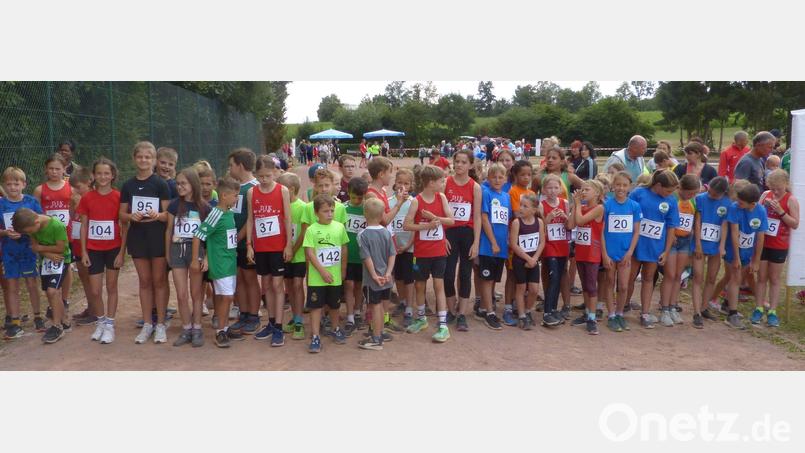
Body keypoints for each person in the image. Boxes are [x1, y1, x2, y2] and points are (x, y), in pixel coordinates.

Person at [120, 141, 171, 344]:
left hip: (157, 237)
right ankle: (148, 323)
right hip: (138, 238)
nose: (143, 160)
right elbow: (121, 214)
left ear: (154, 161)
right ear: (134, 159)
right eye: (140, 156)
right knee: (144, 281)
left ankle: (160, 324)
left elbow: (169, 214)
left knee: (159, 281)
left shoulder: (160, 184)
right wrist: (131, 216)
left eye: (148, 157)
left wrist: (157, 214)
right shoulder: (128, 185)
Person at [402, 165, 455, 342]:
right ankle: (421, 318)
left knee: (438, 285)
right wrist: (425, 226)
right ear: (431, 183)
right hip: (421, 252)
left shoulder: (442, 197)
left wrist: (434, 218)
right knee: (419, 285)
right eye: (441, 181)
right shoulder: (416, 201)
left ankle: (442, 325)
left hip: (439, 252)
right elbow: (406, 225)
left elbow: (452, 220)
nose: (444, 183)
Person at [244, 156, 292, 346]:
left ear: (275, 173)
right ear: (255, 175)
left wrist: (288, 244)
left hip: (278, 246)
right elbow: (250, 219)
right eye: (261, 176)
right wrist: (249, 245)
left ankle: (279, 327)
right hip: (261, 247)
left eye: (268, 176)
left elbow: (287, 219)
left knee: (277, 285)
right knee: (266, 284)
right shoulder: (251, 192)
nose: (264, 179)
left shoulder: (283, 191)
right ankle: (271, 322)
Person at [78, 158, 126, 344]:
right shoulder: (87, 198)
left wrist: (122, 252)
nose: (103, 177)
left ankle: (110, 325)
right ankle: (100, 321)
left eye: (106, 173)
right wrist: (83, 251)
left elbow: (125, 226)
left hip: (113, 248)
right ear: (93, 175)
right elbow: (84, 225)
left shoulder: (118, 197)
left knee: (111, 287)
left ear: (113, 175)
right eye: (99, 173)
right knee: (96, 291)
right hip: (93, 249)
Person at [628, 170, 680, 329]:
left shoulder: (671, 201)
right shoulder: (639, 193)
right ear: (658, 185)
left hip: (655, 246)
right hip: (636, 243)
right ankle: (623, 306)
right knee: (629, 277)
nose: (671, 194)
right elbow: (627, 214)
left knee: (648, 278)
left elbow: (671, 227)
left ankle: (645, 312)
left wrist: (666, 251)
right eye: (668, 190)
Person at [12, 207, 72, 343]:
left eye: (29, 231)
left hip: (62, 260)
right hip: (46, 261)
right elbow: (34, 247)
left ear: (36, 222)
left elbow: (61, 248)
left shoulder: (56, 225)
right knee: (50, 293)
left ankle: (57, 326)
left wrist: (40, 248)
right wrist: (47, 253)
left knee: (53, 291)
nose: (29, 234)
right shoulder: (32, 227)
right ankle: (64, 321)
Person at [166, 168, 210, 347]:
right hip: (177, 251)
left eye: (183, 183)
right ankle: (186, 328)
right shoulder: (174, 205)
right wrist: (168, 253)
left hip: (196, 253)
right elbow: (169, 230)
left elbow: (210, 236)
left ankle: (197, 328)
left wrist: (206, 257)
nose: (179, 187)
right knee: (182, 294)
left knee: (196, 293)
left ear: (193, 184)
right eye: (177, 184)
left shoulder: (205, 207)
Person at [192, 177, 239, 348]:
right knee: (227, 297)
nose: (237, 199)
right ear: (224, 196)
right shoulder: (216, 213)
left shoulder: (229, 213)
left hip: (230, 262)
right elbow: (199, 235)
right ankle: (220, 331)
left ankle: (224, 327)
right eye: (235, 196)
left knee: (224, 297)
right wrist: (197, 259)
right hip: (220, 264)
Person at [0, 166, 44, 339]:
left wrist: (26, 231)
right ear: (4, 185)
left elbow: (40, 222)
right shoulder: (1, 204)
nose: (12, 187)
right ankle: (15, 320)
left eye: (16, 183)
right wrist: (5, 232)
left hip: (28, 249)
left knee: (32, 283)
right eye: (9, 184)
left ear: (23, 184)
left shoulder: (31, 202)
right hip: (9, 252)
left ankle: (37, 315)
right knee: (12, 285)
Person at [303, 194, 349, 353]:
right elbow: (309, 253)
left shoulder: (339, 227)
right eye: (325, 211)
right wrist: (322, 271)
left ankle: (335, 328)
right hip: (317, 278)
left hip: (335, 277)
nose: (329, 214)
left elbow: (344, 248)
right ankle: (315, 335)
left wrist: (343, 269)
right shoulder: (311, 230)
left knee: (335, 305)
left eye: (332, 210)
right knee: (315, 307)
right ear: (316, 213)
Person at [443, 150, 481, 332]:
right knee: (448, 273)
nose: (459, 165)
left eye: (463, 162)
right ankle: (451, 310)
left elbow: (479, 217)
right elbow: (440, 211)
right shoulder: (446, 183)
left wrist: (476, 243)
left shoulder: (475, 187)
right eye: (456, 161)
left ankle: (462, 315)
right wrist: (442, 236)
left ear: (470, 165)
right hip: (449, 233)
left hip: (467, 233)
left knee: (465, 274)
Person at [755, 170, 799, 327]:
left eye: (778, 189)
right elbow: (756, 213)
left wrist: (780, 211)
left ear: (786, 185)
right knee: (761, 277)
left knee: (774, 279)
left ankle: (772, 311)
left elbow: (795, 223)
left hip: (779, 245)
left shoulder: (791, 199)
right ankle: (759, 307)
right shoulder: (765, 194)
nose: (774, 192)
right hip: (763, 242)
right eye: (772, 188)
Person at [33, 154, 74, 322]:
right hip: (47, 236)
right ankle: (53, 299)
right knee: (50, 264)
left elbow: (74, 209)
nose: (54, 172)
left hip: (66, 232)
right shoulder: (40, 190)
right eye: (51, 168)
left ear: (64, 169)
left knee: (66, 265)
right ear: (46, 170)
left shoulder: (70, 188)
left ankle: (64, 299)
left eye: (58, 169)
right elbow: (36, 212)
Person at [723, 183, 768, 329]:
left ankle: (727, 303)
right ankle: (732, 314)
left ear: (752, 203)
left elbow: (761, 237)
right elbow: (734, 233)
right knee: (735, 278)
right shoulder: (734, 208)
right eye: (738, 200)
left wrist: (756, 260)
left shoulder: (761, 211)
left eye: (741, 202)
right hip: (733, 250)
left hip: (748, 251)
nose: (738, 203)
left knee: (739, 278)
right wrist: (736, 257)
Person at [601, 171, 641, 332]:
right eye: (618, 185)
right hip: (610, 252)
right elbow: (601, 232)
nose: (621, 188)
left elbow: (636, 231)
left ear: (629, 187)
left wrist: (630, 251)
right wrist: (604, 254)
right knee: (609, 282)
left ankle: (619, 313)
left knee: (624, 286)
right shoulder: (606, 205)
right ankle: (611, 314)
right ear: (612, 186)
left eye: (624, 185)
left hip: (625, 253)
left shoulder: (634, 206)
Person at [659, 174, 700, 327]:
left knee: (678, 276)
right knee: (669, 275)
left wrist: (691, 233)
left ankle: (672, 306)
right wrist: (670, 235)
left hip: (685, 241)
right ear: (681, 188)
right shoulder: (672, 199)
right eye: (690, 193)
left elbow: (693, 219)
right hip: (672, 241)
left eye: (695, 193)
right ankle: (664, 309)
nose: (692, 196)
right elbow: (664, 219)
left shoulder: (692, 202)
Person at [227, 148, 260, 335]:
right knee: (238, 278)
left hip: (247, 244)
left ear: (240, 165)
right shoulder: (234, 188)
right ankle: (244, 314)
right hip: (233, 244)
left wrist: (238, 238)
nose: (229, 168)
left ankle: (254, 316)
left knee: (250, 279)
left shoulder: (254, 188)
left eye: (231, 165)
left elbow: (252, 219)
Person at [356, 198, 397, 350]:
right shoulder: (386, 232)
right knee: (380, 307)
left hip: (372, 280)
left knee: (375, 307)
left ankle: (376, 338)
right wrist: (387, 273)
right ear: (381, 216)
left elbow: (366, 258)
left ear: (365, 214)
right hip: (386, 279)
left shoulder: (362, 235)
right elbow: (392, 254)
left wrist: (373, 275)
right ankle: (378, 334)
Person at [691, 176, 730, 328]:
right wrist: (698, 243)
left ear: (722, 193)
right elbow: (698, 221)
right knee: (698, 277)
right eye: (710, 192)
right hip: (700, 243)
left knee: (712, 278)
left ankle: (704, 307)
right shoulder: (700, 199)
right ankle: (696, 313)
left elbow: (725, 225)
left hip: (716, 244)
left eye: (715, 194)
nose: (711, 195)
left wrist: (721, 246)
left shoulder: (727, 203)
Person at [476, 163, 511, 331]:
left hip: (501, 247)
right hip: (488, 246)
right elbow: (484, 218)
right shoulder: (486, 193)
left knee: (494, 280)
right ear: (488, 178)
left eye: (500, 177)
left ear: (505, 179)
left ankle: (483, 307)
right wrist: (493, 242)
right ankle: (489, 312)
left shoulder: (507, 197)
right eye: (494, 177)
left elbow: (507, 220)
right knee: (487, 279)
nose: (497, 180)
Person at [571, 180, 606, 335]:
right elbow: (571, 225)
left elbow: (580, 221)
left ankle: (592, 318)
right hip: (581, 252)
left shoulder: (599, 208)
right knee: (585, 285)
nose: (583, 192)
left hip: (592, 253)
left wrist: (577, 205)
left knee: (591, 286)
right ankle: (587, 312)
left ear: (597, 193)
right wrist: (575, 205)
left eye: (587, 189)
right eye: (582, 189)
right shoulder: (581, 207)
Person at [277, 172, 306, 340]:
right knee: (289, 286)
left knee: (297, 285)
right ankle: (295, 317)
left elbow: (303, 232)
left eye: (281, 189)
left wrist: (292, 250)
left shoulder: (302, 207)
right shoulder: (280, 206)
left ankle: (300, 320)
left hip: (299, 254)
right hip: (284, 253)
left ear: (291, 189)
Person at [509, 193, 545, 330]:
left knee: (534, 289)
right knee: (521, 287)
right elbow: (513, 244)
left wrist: (534, 258)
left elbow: (542, 242)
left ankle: (528, 310)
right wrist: (527, 258)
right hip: (520, 260)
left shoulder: (539, 222)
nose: (521, 208)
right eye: (521, 205)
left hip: (533, 260)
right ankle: (522, 315)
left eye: (525, 206)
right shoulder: (517, 223)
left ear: (534, 210)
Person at [67, 167, 96, 326]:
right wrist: (73, 206)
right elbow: (72, 218)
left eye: (78, 187)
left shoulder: (93, 198)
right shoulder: (76, 199)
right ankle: (90, 307)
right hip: (77, 243)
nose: (76, 191)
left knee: (91, 279)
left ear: (88, 182)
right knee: (84, 278)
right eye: (74, 188)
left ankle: (96, 311)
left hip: (89, 245)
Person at [388, 168, 415, 328]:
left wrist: (407, 245)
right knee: (397, 276)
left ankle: (410, 309)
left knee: (409, 278)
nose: (402, 187)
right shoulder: (389, 201)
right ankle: (403, 301)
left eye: (406, 183)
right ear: (395, 183)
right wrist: (394, 246)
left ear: (411, 185)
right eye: (400, 183)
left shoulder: (413, 203)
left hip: (408, 247)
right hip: (393, 247)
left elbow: (414, 227)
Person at [342, 177, 369, 338]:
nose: (357, 200)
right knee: (349, 285)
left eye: (360, 197)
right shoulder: (343, 209)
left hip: (362, 256)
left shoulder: (367, 209)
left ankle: (358, 312)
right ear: (348, 194)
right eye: (354, 197)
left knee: (359, 286)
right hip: (348, 256)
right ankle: (350, 316)